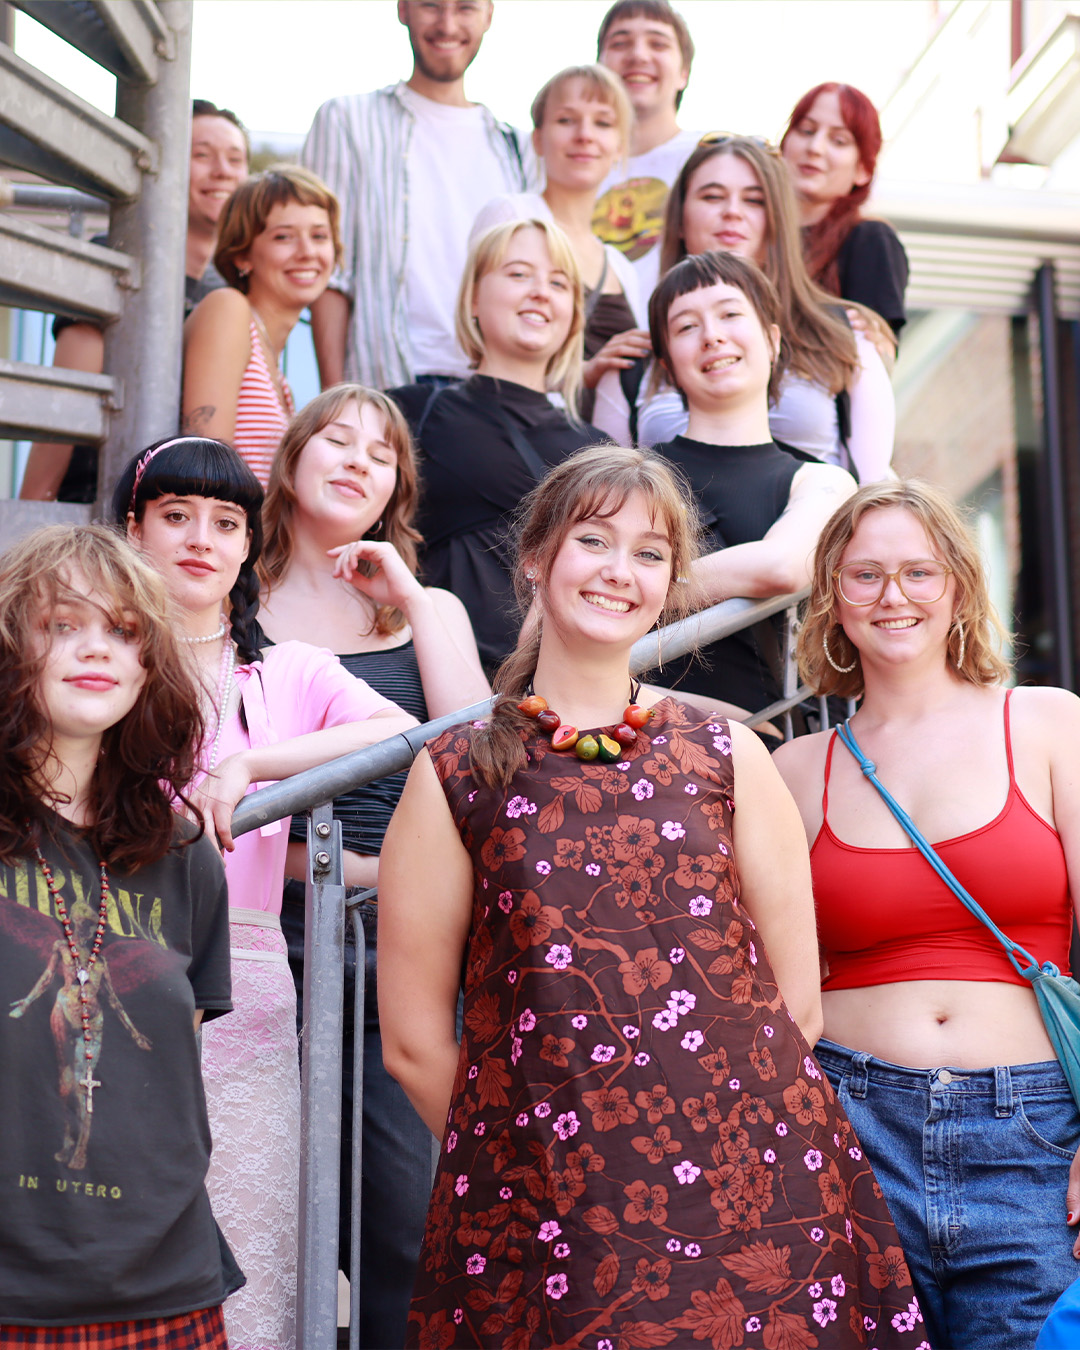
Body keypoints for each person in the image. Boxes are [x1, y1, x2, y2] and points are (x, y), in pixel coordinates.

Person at [378, 443, 921, 1348]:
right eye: (594, 541)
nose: (618, 571)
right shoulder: (458, 773)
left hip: (760, 1194)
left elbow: (794, 1007)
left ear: (670, 584)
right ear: (536, 559)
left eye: (649, 552)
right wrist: (534, 1157)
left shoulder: (729, 753)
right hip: (554, 1209)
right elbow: (411, 1042)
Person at [113, 435, 416, 1350]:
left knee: (249, 1248)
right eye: (175, 516)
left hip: (245, 984)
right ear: (133, 529)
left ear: (250, 544)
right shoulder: (92, 657)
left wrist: (252, 766)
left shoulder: (287, 671)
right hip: (108, 971)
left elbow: (402, 729)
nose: (200, 539)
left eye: (225, 522)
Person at [773, 479, 1080, 1349]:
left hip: (1034, 1135)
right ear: (833, 597)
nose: (892, 595)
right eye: (865, 575)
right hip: (851, 1128)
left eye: (918, 571)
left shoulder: (1048, 723)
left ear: (958, 587)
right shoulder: (795, 769)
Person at [257, 384, 489, 1348]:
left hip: (395, 946)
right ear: (289, 461)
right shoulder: (236, 597)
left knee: (406, 1226)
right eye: (336, 440)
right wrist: (338, 872)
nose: (358, 460)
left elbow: (478, 755)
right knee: (264, 1223)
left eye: (381, 453)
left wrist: (414, 601)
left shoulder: (426, 608)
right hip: (264, 937)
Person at [0, 524, 242, 1344]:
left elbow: (172, 1070)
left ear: (148, 666)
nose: (95, 648)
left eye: (124, 630)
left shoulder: (182, 851)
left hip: (164, 1289)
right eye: (61, 624)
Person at [648, 249, 855, 717]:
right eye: (687, 326)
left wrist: (631, 590)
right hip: (626, 736)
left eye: (730, 314)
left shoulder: (821, 480)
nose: (712, 335)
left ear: (772, 339)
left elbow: (781, 566)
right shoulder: (626, 477)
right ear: (667, 364)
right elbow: (551, 617)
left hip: (767, 739)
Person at [390, 217, 603, 673]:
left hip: (555, 693)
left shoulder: (598, 452)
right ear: (473, 297)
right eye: (519, 273)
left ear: (573, 314)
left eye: (559, 283)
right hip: (430, 684)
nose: (540, 292)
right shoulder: (409, 413)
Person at [622, 136, 895, 481]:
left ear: (777, 220)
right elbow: (610, 490)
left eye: (754, 200)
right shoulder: (638, 355)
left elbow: (872, 488)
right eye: (712, 196)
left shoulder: (844, 334)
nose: (732, 212)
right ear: (679, 218)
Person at [20, 100, 250, 503]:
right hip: (98, 504)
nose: (222, 171)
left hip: (173, 510)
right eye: (201, 155)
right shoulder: (115, 262)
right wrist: (30, 511)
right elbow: (65, 407)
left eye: (235, 159)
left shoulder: (227, 293)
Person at [300, 0, 535, 391]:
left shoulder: (518, 147)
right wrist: (336, 399)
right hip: (385, 384)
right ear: (403, 9)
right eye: (431, 6)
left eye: (465, 8)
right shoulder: (346, 120)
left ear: (489, 15)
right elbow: (331, 275)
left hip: (493, 387)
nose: (447, 25)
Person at [470, 63, 651, 412]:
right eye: (566, 120)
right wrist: (582, 373)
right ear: (538, 139)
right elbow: (478, 344)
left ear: (620, 147)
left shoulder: (621, 267)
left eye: (603, 123)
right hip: (516, 427)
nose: (584, 135)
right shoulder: (513, 215)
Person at [181, 165, 340, 487]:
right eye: (284, 237)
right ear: (242, 255)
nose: (307, 252)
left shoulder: (279, 377)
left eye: (319, 236)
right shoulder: (228, 309)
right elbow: (205, 471)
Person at [781, 83, 909, 338]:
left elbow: (877, 351)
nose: (815, 147)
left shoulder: (870, 239)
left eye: (839, 141)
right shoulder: (750, 231)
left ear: (863, 169)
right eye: (806, 130)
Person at [592, 0, 698, 299]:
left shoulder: (708, 157)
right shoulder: (569, 161)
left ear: (684, 72)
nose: (638, 55)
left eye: (658, 44)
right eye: (620, 43)